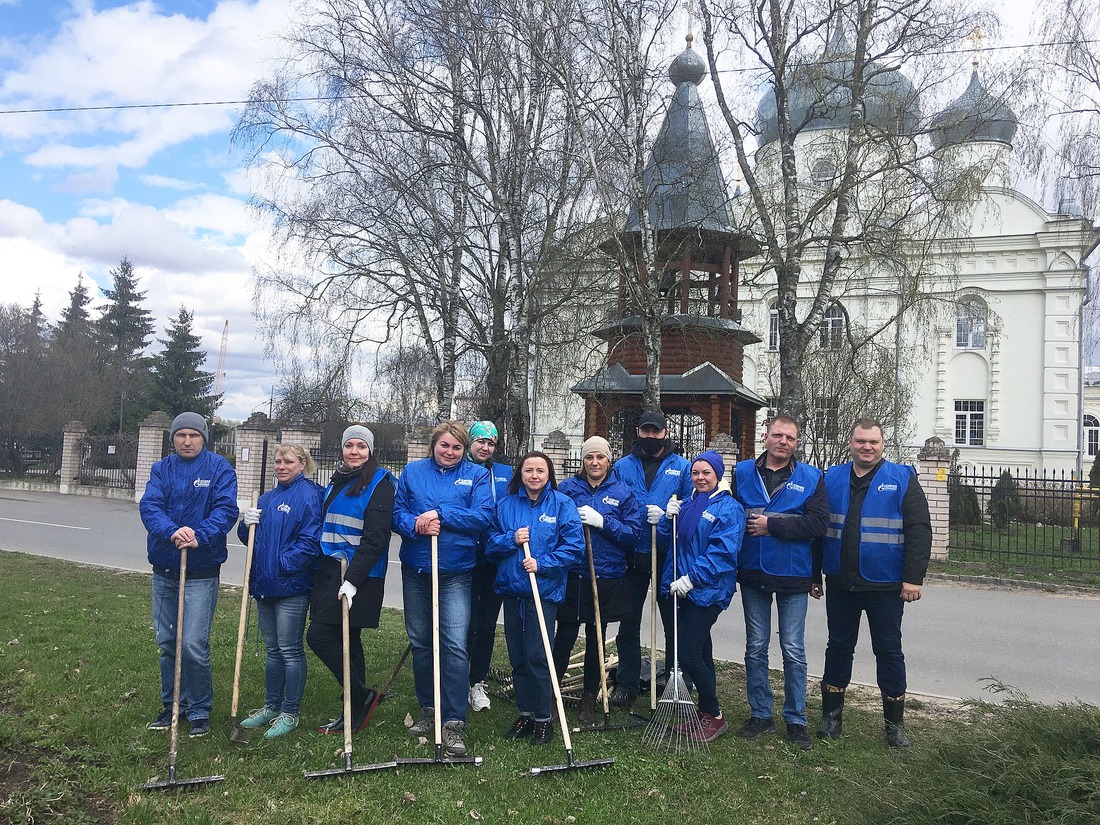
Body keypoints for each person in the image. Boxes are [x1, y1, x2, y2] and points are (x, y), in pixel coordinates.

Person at [816, 418, 932, 748]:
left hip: (886, 585)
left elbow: (920, 530)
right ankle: (831, 719)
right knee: (838, 647)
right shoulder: (832, 477)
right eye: (861, 441)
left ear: (883, 445)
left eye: (874, 442)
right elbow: (819, 529)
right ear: (850, 443)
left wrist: (913, 578)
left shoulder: (902, 477)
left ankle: (894, 726)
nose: (867, 447)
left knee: (888, 651)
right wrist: (815, 575)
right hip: (840, 581)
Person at [393, 420, 495, 758]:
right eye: (444, 446)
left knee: (453, 644)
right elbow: (398, 513)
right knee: (421, 642)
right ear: (434, 445)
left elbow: (482, 517)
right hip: (417, 568)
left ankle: (453, 721)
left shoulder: (477, 476)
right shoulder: (412, 472)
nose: (449, 452)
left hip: (455, 571)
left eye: (456, 447)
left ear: (464, 450)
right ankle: (429, 709)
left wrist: (440, 513)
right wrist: (416, 523)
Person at [731, 415, 829, 751]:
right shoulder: (742, 472)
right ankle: (761, 714)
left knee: (793, 648)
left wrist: (771, 526)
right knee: (755, 647)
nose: (782, 441)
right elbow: (732, 515)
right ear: (765, 437)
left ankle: (796, 718)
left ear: (796, 443)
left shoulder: (812, 477)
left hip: (793, 573)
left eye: (789, 437)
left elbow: (817, 525)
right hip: (753, 571)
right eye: (777, 435)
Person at [140, 412, 238, 739]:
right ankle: (173, 705)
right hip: (165, 568)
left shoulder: (219, 469)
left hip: (201, 570)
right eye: (181, 435)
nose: (187, 441)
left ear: (203, 439)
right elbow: (151, 507)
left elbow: (225, 511)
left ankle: (199, 708)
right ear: (173, 439)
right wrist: (172, 532)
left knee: (193, 643)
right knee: (168, 642)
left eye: (193, 436)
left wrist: (199, 535)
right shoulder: (161, 470)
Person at [487, 452, 584, 745]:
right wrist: (510, 540)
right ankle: (526, 713)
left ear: (548, 474)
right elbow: (489, 544)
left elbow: (574, 547)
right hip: (513, 591)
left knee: (537, 656)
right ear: (521, 474)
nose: (534, 476)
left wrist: (542, 563)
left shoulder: (562, 505)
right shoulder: (506, 505)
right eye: (529, 470)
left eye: (540, 470)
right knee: (517, 657)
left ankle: (544, 718)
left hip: (544, 592)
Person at [308, 425, 395, 735]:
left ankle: (360, 696)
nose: (355, 451)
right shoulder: (337, 481)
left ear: (370, 451)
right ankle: (355, 706)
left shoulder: (379, 483)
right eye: (349, 445)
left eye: (361, 446)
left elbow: (376, 538)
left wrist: (354, 580)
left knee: (318, 636)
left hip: (359, 573)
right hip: (331, 570)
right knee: (349, 639)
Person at [236, 444, 324, 738]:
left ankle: (290, 711)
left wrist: (279, 564)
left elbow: (311, 543)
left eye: (288, 461)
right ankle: (271, 706)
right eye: (277, 461)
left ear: (302, 463)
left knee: (289, 649)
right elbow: (252, 537)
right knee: (273, 651)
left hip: (291, 587)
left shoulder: (310, 496)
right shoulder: (267, 498)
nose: (281, 466)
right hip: (264, 586)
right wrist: (243, 523)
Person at [553, 436, 643, 724]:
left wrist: (603, 522)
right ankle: (551, 695)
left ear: (608, 460)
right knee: (564, 637)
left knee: (596, 640)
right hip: (573, 574)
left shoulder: (623, 492)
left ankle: (589, 697)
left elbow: (633, 536)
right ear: (583, 461)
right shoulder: (567, 489)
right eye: (589, 457)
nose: (594, 462)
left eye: (600, 457)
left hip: (605, 576)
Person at [608, 411, 693, 706]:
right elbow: (614, 505)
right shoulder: (621, 467)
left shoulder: (682, 467)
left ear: (665, 432)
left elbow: (691, 506)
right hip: (631, 556)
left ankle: (674, 680)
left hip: (667, 556)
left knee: (672, 623)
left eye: (655, 432)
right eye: (645, 431)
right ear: (637, 431)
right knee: (628, 623)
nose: (650, 437)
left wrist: (673, 513)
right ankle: (627, 683)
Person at [660, 450, 744, 743]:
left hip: (707, 590)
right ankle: (705, 714)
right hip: (683, 590)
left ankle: (714, 714)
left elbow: (722, 552)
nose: (700, 478)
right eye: (695, 473)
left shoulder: (729, 509)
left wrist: (691, 579)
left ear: (718, 475)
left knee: (688, 652)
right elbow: (671, 542)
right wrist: (666, 518)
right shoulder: (688, 503)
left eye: (706, 473)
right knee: (702, 652)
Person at [465, 421, 513, 713]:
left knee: (485, 624)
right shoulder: (461, 470)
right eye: (480, 441)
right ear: (470, 442)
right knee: (462, 624)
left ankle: (477, 680)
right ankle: (455, 677)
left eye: (491, 443)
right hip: (465, 558)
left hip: (495, 558)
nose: (485, 447)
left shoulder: (505, 474)